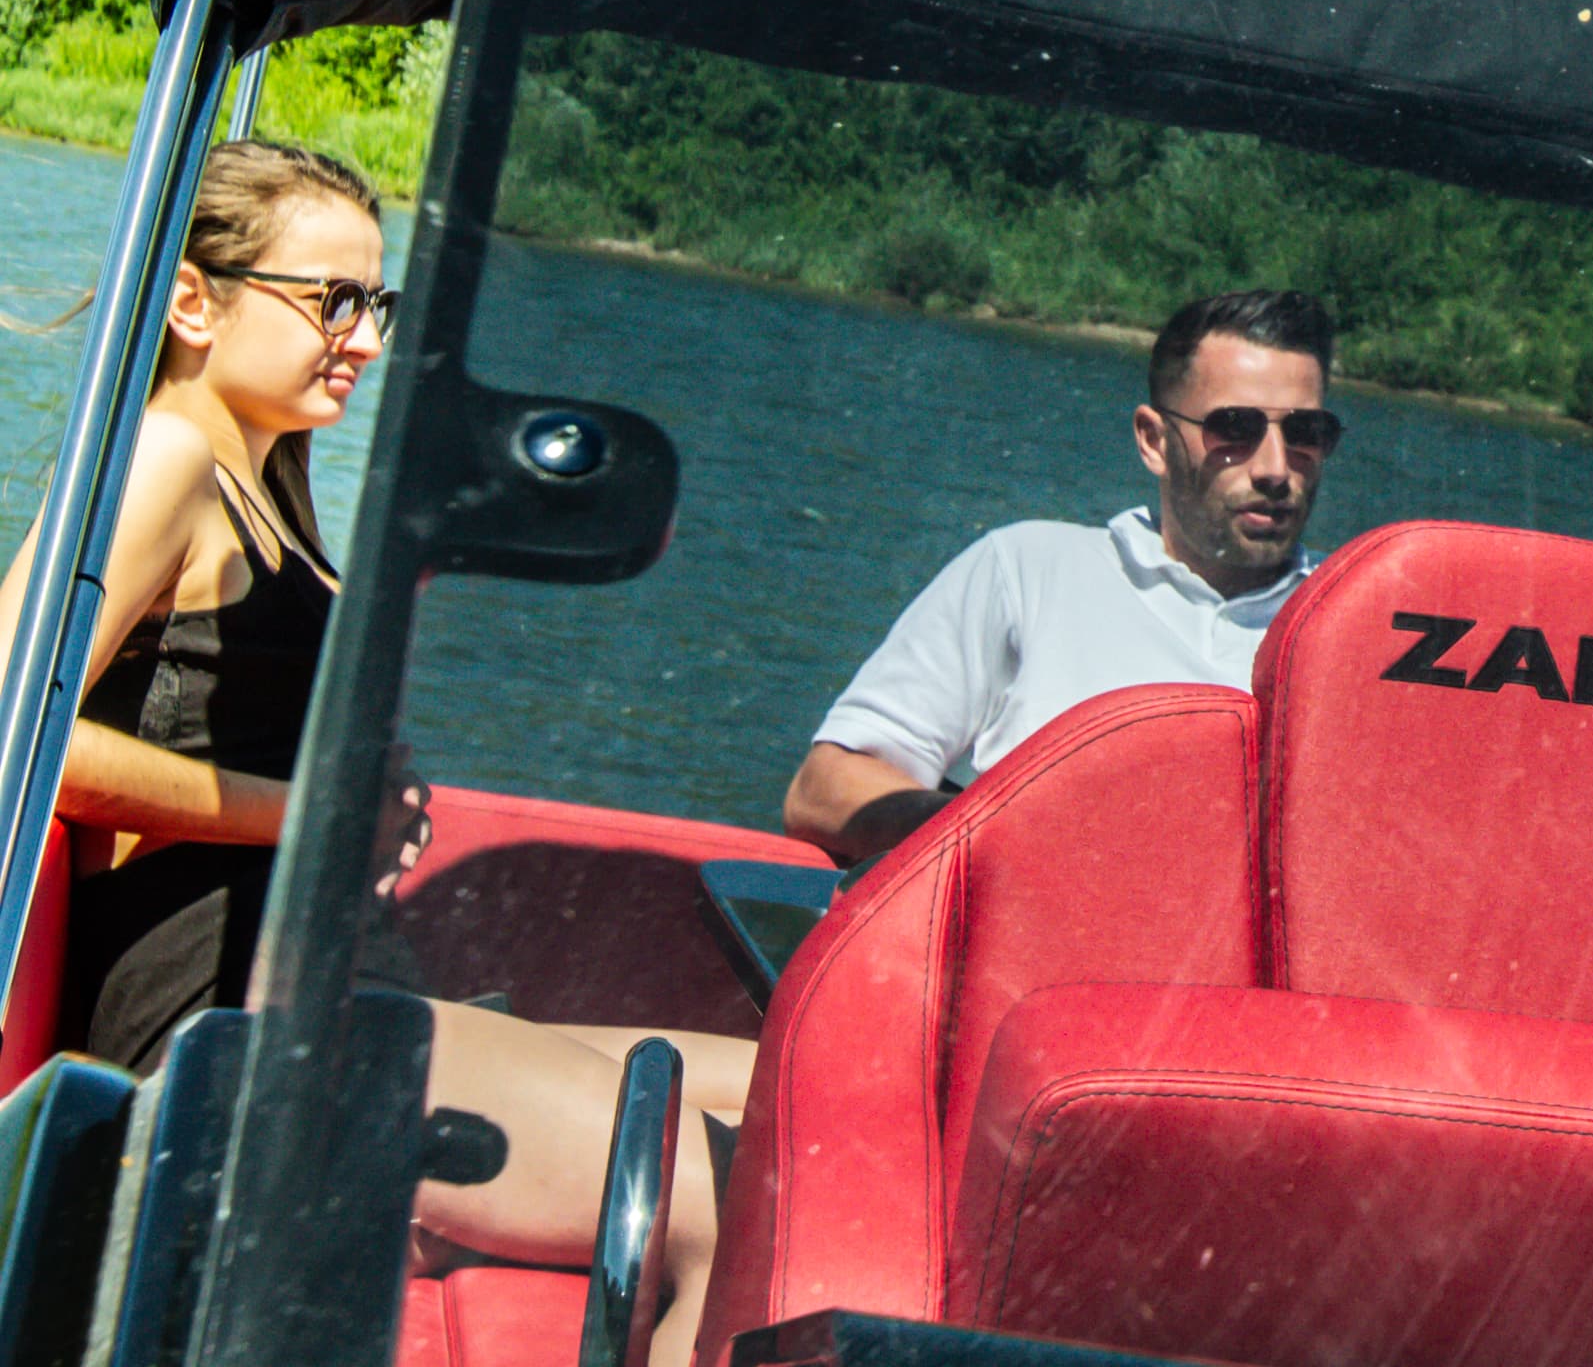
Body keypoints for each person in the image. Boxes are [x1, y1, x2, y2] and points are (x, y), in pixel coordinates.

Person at [0, 140, 751, 1367]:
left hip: (334, 1001)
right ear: (196, 299)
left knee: (793, 1092)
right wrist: (303, 813)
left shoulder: (267, 480)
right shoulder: (169, 454)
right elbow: (15, 729)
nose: (360, 335)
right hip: (231, 1033)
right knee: (729, 1203)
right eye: (329, 301)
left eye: (376, 304)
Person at [785, 287, 1342, 868]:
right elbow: (824, 790)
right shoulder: (1027, 571)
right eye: (1236, 429)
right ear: (1153, 441)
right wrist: (1025, 836)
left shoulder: (1364, 627)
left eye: (1306, 434)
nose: (1276, 468)